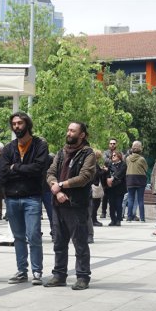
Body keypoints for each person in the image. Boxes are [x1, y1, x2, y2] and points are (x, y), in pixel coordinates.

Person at [0, 112, 49, 285]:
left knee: (33, 235)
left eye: (20, 123)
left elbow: (38, 168)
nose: (17, 127)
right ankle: (22, 271)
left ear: (27, 124)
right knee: (18, 237)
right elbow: (2, 171)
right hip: (12, 198)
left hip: (32, 197)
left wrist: (15, 168)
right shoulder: (9, 148)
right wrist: (20, 169)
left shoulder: (39, 145)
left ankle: (37, 271)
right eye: (14, 124)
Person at [45, 121, 96, 290]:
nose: (69, 133)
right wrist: (57, 190)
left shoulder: (88, 154)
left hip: (76, 205)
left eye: (73, 131)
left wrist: (62, 185)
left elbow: (84, 177)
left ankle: (83, 276)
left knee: (80, 242)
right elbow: (50, 173)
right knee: (59, 242)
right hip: (58, 203)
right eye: (68, 130)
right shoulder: (61, 152)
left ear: (82, 135)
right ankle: (59, 275)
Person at [124, 140, 148, 222]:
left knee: (130, 199)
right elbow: (146, 169)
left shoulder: (127, 158)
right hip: (140, 180)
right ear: (140, 149)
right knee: (140, 199)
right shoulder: (142, 159)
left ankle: (129, 218)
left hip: (130, 179)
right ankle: (142, 218)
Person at [105, 151, 127, 226]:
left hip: (119, 188)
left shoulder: (123, 164)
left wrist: (113, 178)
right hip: (110, 187)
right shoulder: (109, 164)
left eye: (115, 155)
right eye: (112, 155)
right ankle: (112, 219)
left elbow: (120, 173)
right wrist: (107, 179)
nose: (113, 156)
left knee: (118, 204)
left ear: (119, 156)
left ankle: (118, 219)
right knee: (111, 204)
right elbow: (107, 173)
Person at [100, 138, 117, 218]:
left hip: (115, 177)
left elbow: (121, 161)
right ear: (109, 144)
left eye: (114, 143)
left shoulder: (118, 153)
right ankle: (103, 212)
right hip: (106, 177)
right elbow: (105, 161)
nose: (112, 144)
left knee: (114, 196)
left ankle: (113, 213)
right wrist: (114, 160)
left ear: (116, 144)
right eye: (111, 143)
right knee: (105, 195)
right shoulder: (106, 152)